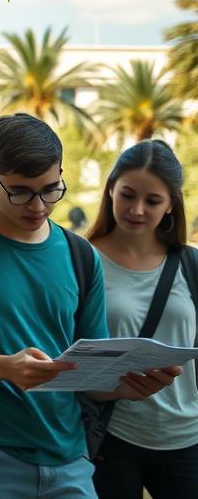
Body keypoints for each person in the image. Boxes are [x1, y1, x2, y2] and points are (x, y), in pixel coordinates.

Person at [0, 114, 180, 498]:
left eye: (51, 190)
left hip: (71, 458)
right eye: (20, 192)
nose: (38, 206)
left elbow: (91, 376)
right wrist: (4, 367)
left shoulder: (81, 255)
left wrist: (127, 385)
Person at [85, 141, 198, 499]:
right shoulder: (82, 259)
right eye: (128, 195)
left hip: (188, 436)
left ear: (171, 205)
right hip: (112, 435)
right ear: (111, 190)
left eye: (152, 201)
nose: (137, 210)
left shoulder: (191, 263)